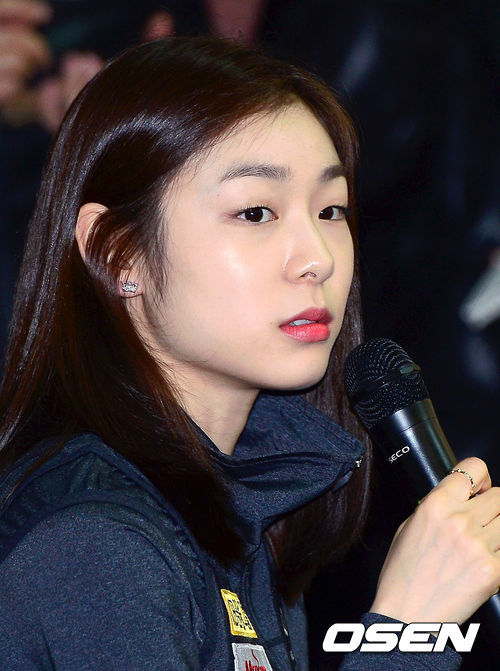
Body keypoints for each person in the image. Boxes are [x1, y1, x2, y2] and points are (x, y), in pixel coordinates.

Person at [0, 36, 498, 670]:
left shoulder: (252, 507)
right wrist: (410, 629)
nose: (317, 258)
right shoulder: (92, 544)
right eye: (257, 212)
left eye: (332, 209)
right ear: (117, 252)